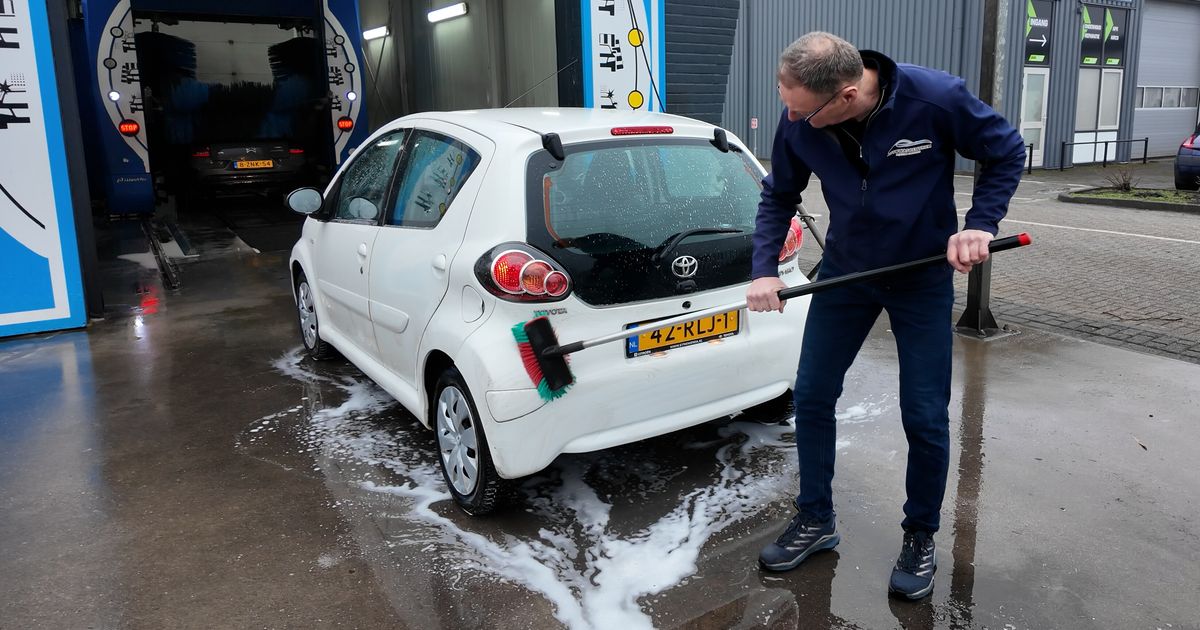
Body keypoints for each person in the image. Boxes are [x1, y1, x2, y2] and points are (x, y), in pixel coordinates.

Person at [746, 32, 1025, 600]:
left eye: (800, 109)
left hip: (921, 277)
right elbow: (779, 194)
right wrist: (764, 270)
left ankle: (920, 535)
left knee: (923, 413)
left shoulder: (935, 99)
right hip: (847, 273)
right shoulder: (801, 117)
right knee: (815, 394)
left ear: (847, 95)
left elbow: (1007, 150)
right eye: (786, 101)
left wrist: (981, 222)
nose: (790, 117)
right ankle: (816, 518)